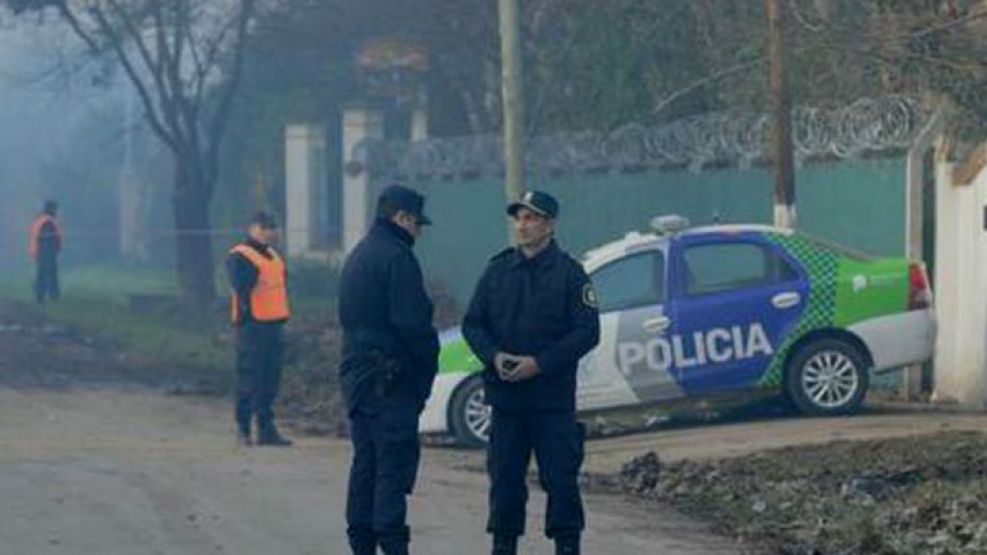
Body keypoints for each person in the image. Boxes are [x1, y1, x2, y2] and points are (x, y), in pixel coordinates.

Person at [462, 190, 601, 555]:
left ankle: (567, 546)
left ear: (549, 225)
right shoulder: (497, 271)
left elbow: (587, 332)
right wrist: (494, 357)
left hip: (551, 402)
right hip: (507, 402)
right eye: (518, 218)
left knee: (561, 481)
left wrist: (540, 363)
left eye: (531, 218)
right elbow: (473, 324)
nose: (522, 225)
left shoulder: (570, 275)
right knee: (505, 483)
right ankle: (503, 545)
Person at [338, 185, 440, 555]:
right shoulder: (398, 258)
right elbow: (414, 325)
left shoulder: (360, 255)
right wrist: (425, 374)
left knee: (365, 462)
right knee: (391, 468)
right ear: (402, 218)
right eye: (417, 224)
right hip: (391, 381)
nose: (419, 233)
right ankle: (393, 544)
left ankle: (361, 543)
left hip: (359, 378)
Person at [226, 211, 292, 447]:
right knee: (249, 377)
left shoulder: (274, 256)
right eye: (264, 228)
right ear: (251, 229)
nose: (269, 232)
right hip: (252, 326)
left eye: (272, 228)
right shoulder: (240, 256)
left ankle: (266, 427)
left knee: (270, 379)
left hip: (274, 324)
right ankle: (243, 427)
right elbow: (242, 287)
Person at [28, 200, 62, 304]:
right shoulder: (48, 222)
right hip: (46, 252)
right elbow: (47, 238)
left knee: (41, 273)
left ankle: (41, 295)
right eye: (55, 209)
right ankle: (51, 295)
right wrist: (51, 252)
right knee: (49, 273)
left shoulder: (40, 219)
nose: (57, 211)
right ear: (51, 209)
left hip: (40, 251)